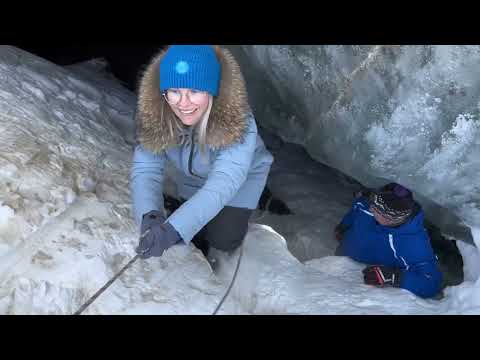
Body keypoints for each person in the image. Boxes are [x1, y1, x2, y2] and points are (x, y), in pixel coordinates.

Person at [130, 45, 274, 267]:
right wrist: (149, 215)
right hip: (195, 175)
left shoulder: (238, 121)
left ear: (211, 90)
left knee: (224, 239)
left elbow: (225, 180)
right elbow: (146, 168)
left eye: (194, 91)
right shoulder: (155, 115)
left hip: (242, 178)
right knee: (192, 227)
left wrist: (175, 229)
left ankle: (261, 195)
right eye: (175, 91)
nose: (183, 103)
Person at [335, 183, 443, 299]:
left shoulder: (412, 243)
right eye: (373, 204)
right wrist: (343, 227)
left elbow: (431, 283)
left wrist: (393, 276)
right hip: (339, 259)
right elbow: (359, 206)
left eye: (377, 209)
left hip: (355, 275)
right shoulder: (372, 203)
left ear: (390, 218)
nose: (371, 208)